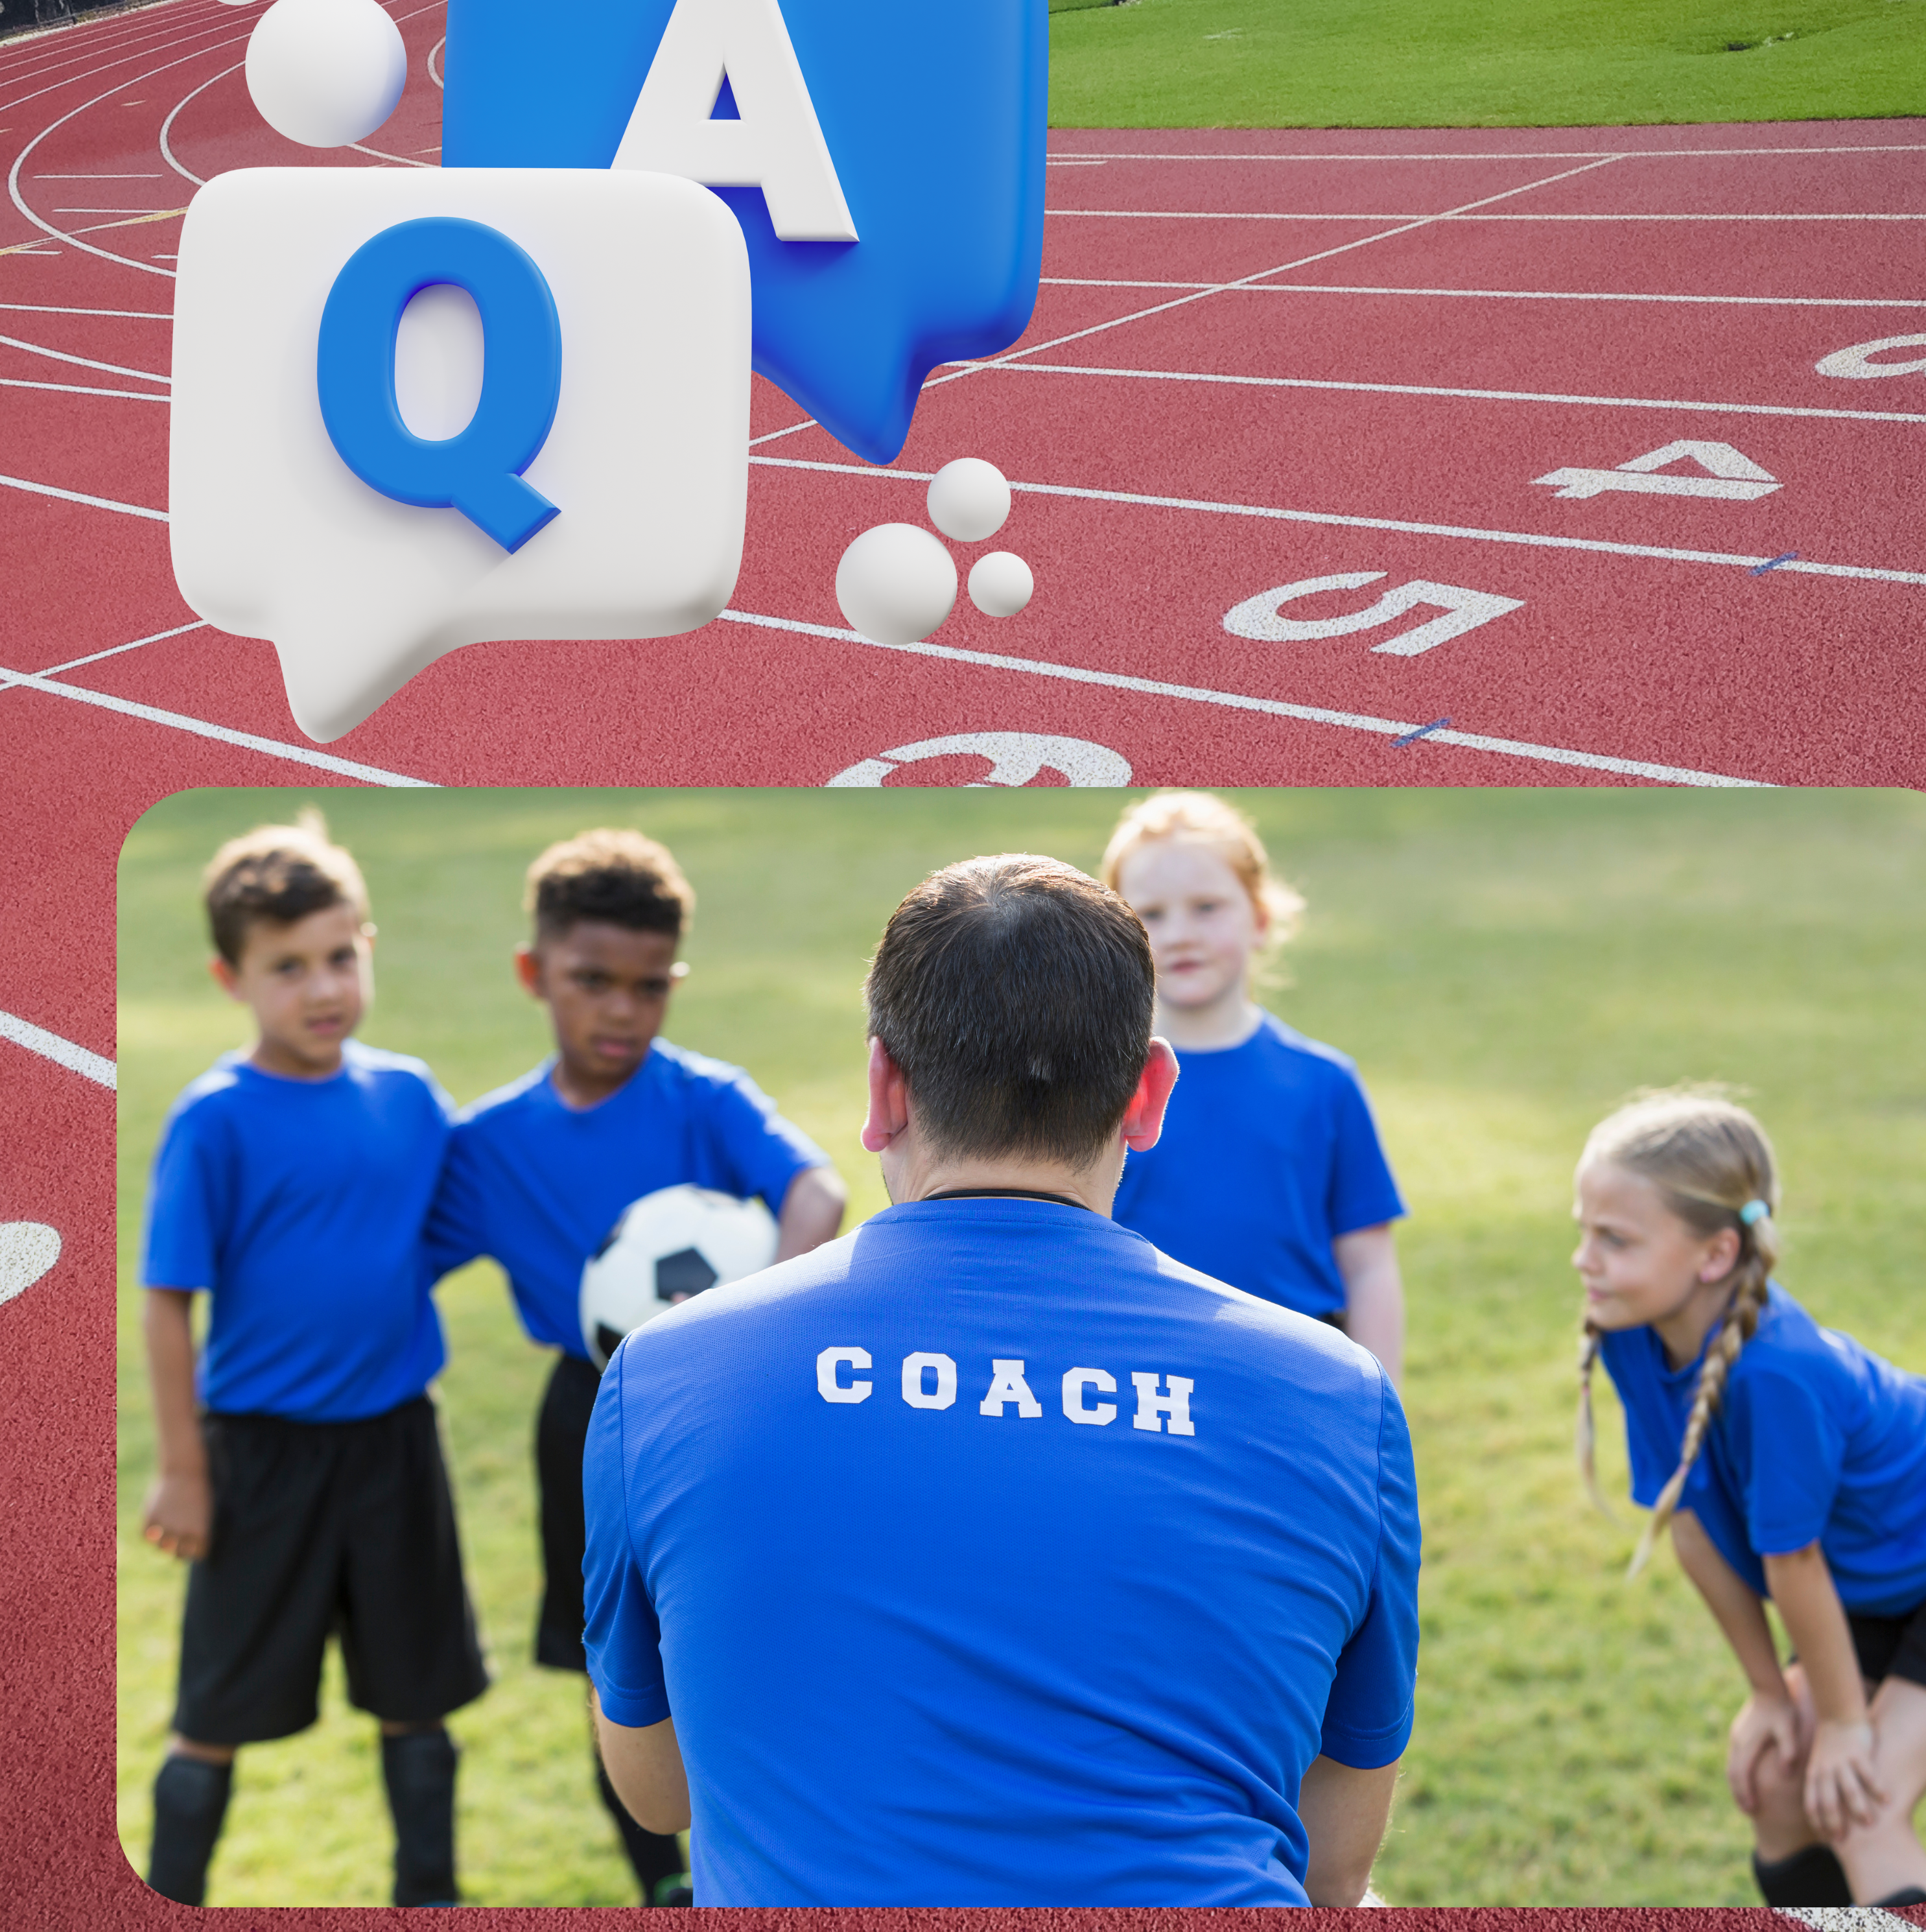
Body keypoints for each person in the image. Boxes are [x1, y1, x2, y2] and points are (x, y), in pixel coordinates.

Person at [581, 853, 1420, 1905]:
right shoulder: (1339, 1398)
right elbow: (1335, 1867)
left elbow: (658, 1791)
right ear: (1152, 1093)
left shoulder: (664, 1371)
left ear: (883, 1086)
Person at [425, 828, 847, 1907]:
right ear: (536, 974)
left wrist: (746, 1332)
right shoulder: (487, 1144)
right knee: (617, 1665)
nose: (623, 1010)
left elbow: (818, 1195)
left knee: (744, 1622)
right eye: (593, 983)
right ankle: (661, 1880)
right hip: (589, 1414)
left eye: (650, 987)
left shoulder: (706, 1097)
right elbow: (400, 1263)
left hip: (732, 1405)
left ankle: (767, 1844)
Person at [137, 814, 486, 1908]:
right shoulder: (215, 1122)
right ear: (230, 978)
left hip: (395, 1445)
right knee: (212, 1716)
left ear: (368, 946)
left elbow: (454, 1222)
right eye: (286, 968)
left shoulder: (408, 1096)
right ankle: (163, 1895)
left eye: (341, 956)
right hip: (258, 1461)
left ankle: (426, 1893)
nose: (322, 987)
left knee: (415, 1700)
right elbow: (164, 1303)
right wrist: (186, 1469)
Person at [1571, 1090, 1926, 1909]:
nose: (1584, 1260)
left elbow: (1791, 1561)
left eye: (1613, 1240)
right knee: (1776, 1782)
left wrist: (1841, 1723)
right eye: (1582, 1231)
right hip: (1879, 1573)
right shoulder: (1629, 1331)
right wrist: (1769, 1693)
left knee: (1859, 1804)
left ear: (1715, 1255)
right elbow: (1687, 1524)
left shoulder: (1780, 1373)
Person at [1100, 791, 1405, 1383]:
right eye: (1152, 915)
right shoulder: (1096, 1081)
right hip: (1140, 1383)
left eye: (1207, 907)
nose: (1181, 934)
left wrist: (1379, 1409)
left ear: (1261, 920)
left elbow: (1368, 1264)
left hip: (1294, 1382)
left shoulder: (1324, 1083)